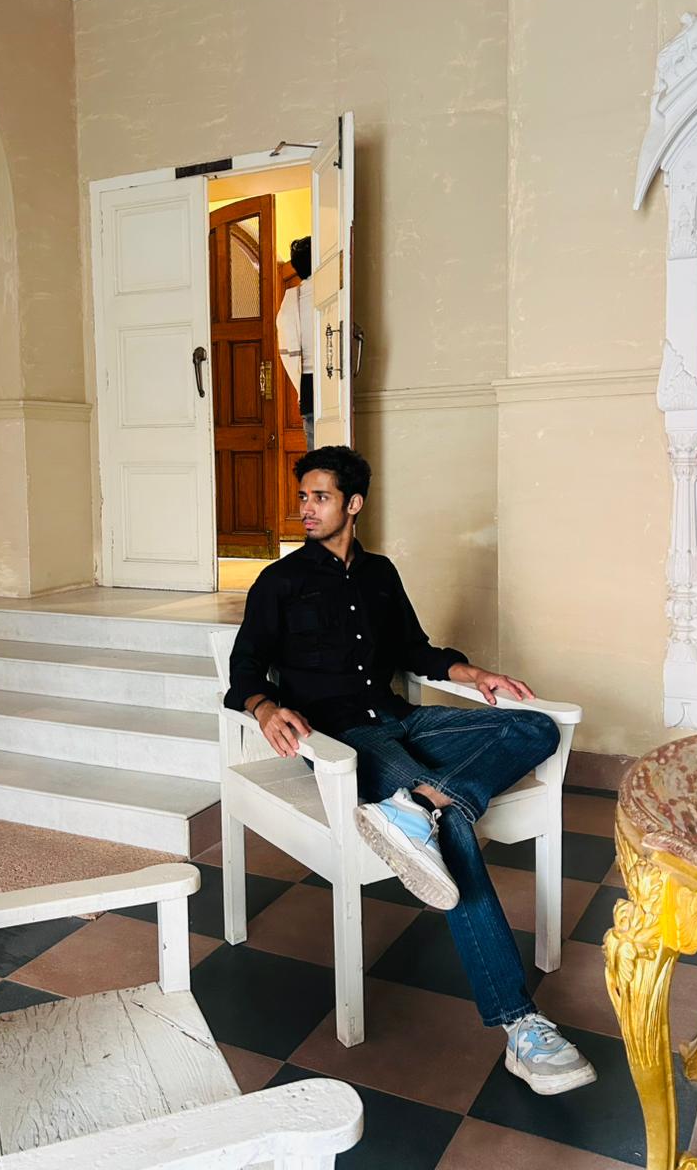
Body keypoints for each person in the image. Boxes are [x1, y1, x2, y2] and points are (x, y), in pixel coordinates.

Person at [225, 445, 597, 1096]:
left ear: (353, 504)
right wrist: (264, 708)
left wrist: (474, 674)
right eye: (304, 497)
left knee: (535, 726)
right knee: (455, 831)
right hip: (347, 740)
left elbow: (416, 651)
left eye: (320, 497)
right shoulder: (279, 583)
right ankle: (521, 1025)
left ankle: (421, 803)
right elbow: (245, 670)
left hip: (406, 719)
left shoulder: (380, 574)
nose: (306, 508)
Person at [276, 236, 315, 448]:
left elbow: (284, 342)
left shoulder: (291, 302)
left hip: (306, 382)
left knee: (316, 454)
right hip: (333, 374)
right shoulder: (335, 290)